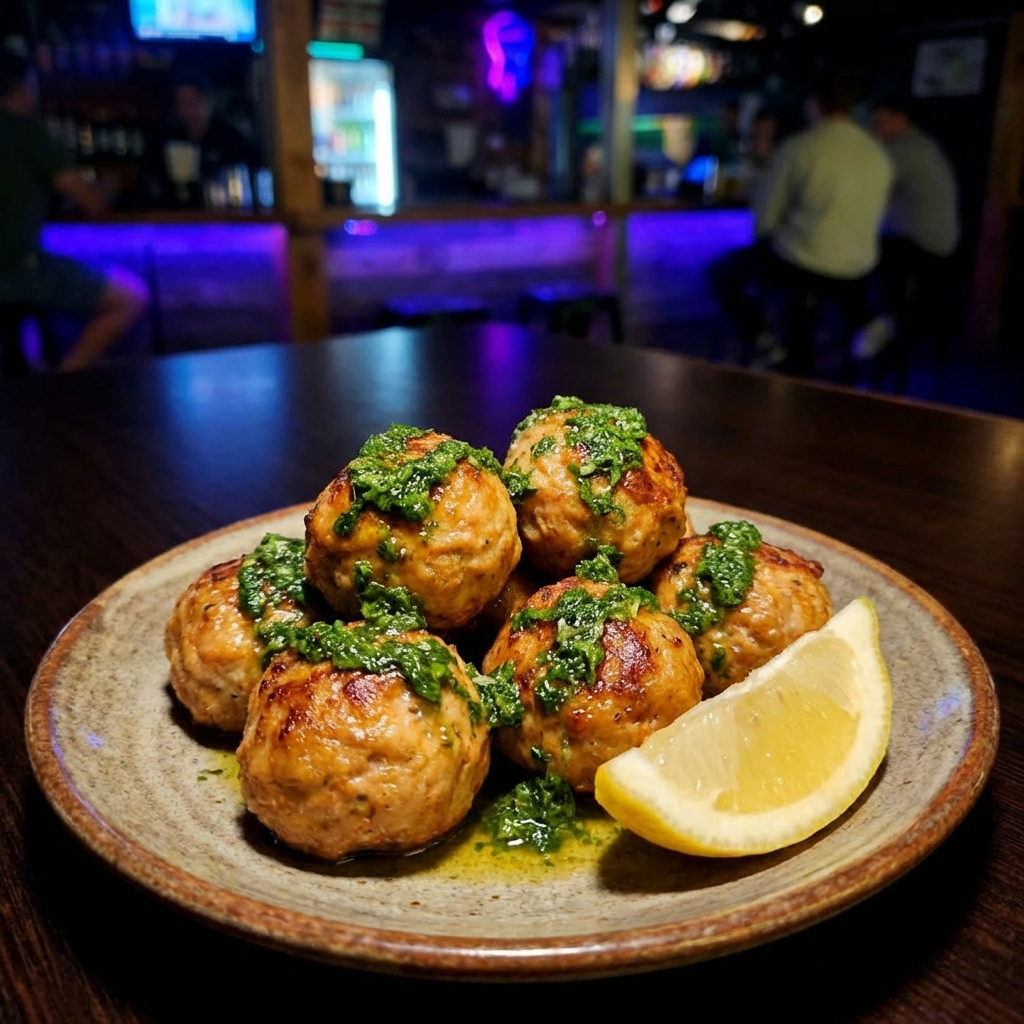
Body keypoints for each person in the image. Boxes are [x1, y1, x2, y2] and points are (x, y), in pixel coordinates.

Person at [709, 68, 893, 375]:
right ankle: (866, 321)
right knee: (825, 275)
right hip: (858, 267)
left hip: (804, 264)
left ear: (814, 103)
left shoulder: (800, 147)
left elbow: (766, 218)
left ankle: (765, 343)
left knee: (721, 273)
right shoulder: (877, 151)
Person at [0, 49, 148, 372]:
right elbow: (90, 202)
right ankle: (64, 383)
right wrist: (109, 187)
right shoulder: (27, 133)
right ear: (24, 87)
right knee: (130, 296)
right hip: (16, 268)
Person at [861, 92, 960, 362]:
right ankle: (880, 329)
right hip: (933, 245)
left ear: (900, 119)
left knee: (857, 258)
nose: (874, 128)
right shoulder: (921, 145)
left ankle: (879, 330)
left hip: (922, 246)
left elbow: (869, 183)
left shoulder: (908, 150)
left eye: (880, 122)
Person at [168, 70, 259, 181]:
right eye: (181, 103)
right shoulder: (171, 141)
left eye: (191, 102)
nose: (186, 111)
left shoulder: (230, 139)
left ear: (208, 101)